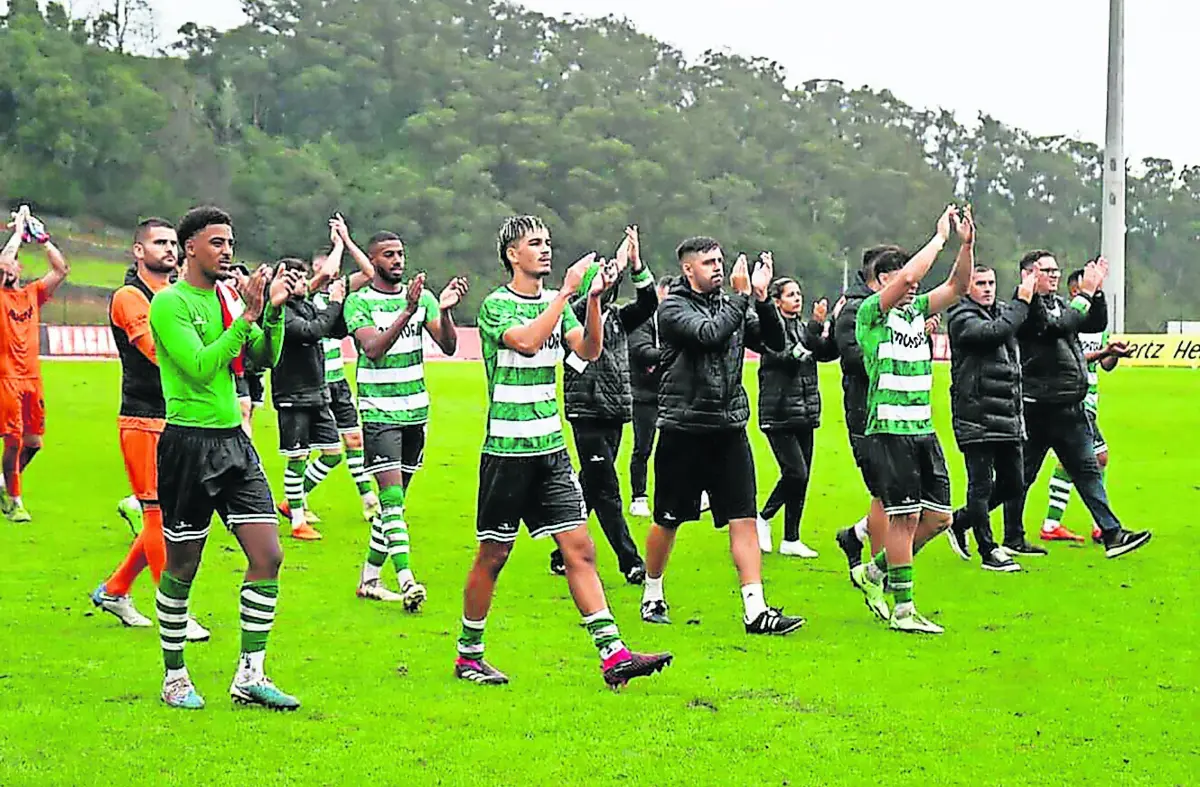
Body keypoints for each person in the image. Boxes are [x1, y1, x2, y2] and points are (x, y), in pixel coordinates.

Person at [455, 215, 671, 688]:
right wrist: (566, 293)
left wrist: (591, 299)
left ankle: (613, 656)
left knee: (581, 549)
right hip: (508, 453)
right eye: (535, 244)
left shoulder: (563, 306)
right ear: (513, 255)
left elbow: (590, 350)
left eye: (548, 243)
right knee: (493, 556)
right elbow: (529, 343)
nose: (546, 251)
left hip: (551, 449)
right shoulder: (497, 306)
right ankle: (469, 655)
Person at [149, 205, 301, 710]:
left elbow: (262, 357)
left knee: (268, 555)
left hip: (233, 444)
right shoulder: (169, 304)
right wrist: (250, 318)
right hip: (187, 445)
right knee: (184, 564)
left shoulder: (231, 300)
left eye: (230, 242)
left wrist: (272, 312)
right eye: (217, 242)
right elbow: (197, 366)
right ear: (190, 247)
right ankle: (174, 677)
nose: (227, 251)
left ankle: (250, 675)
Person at [639, 238, 803, 635]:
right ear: (688, 270)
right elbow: (710, 335)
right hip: (683, 429)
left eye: (720, 261)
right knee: (668, 519)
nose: (717, 268)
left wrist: (762, 300)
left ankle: (755, 610)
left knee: (743, 518)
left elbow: (775, 343)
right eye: (708, 262)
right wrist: (742, 297)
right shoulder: (673, 308)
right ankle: (652, 590)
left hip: (729, 428)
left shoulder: (732, 304)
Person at [849, 205, 972, 634]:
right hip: (890, 429)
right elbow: (908, 278)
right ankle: (904, 610)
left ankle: (874, 573)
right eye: (902, 275)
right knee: (903, 518)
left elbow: (958, 285)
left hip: (923, 428)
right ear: (883, 280)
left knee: (940, 518)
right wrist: (938, 239)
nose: (913, 280)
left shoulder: (916, 312)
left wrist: (965, 244)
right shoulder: (871, 313)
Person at [89, 219, 212, 641]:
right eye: (159, 243)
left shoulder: (178, 296)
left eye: (174, 244)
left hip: (179, 418)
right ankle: (174, 612)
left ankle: (114, 590)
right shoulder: (130, 297)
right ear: (138, 251)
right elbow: (161, 354)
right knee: (160, 516)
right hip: (143, 419)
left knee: (169, 516)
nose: (170, 250)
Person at [342, 230, 468, 607]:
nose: (397, 260)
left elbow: (448, 346)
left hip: (415, 410)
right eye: (389, 255)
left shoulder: (422, 298)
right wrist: (408, 311)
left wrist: (443, 310)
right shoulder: (358, 302)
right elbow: (374, 349)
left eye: (401, 254)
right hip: (379, 411)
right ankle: (407, 579)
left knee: (394, 505)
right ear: (373, 259)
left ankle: (368, 579)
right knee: (392, 501)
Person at [999, 252, 1150, 558]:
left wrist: (1098, 292)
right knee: (1020, 477)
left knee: (1087, 469)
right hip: (1040, 407)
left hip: (1067, 405)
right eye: (1047, 270)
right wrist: (1086, 292)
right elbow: (1057, 327)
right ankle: (972, 523)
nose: (1055, 275)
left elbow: (1093, 322)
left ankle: (1112, 533)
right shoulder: (1025, 306)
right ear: (1029, 274)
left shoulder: (1056, 303)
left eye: (1056, 270)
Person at [550, 226, 656, 585]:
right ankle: (630, 560)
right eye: (602, 278)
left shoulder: (616, 318)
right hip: (587, 411)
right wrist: (612, 270)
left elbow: (648, 303)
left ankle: (561, 550)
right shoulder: (575, 313)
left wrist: (635, 263)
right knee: (607, 488)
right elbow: (589, 297)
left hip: (615, 410)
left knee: (591, 484)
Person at [943, 264, 1040, 572]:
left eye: (991, 282)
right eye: (980, 282)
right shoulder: (961, 317)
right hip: (976, 413)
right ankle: (989, 549)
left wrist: (1032, 296)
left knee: (1015, 483)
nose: (987, 288)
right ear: (967, 287)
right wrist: (1022, 301)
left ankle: (960, 521)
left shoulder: (1002, 311)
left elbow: (1032, 327)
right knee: (981, 485)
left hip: (1008, 414)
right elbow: (993, 333)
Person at [1039, 268, 1132, 544]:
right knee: (1097, 458)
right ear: (1074, 292)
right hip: (1073, 400)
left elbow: (1105, 365)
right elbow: (1073, 356)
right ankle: (1101, 526)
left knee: (1073, 462)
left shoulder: (1097, 324)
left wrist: (1114, 353)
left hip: (1090, 398)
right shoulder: (1066, 321)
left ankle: (1055, 524)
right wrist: (1104, 352)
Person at [271, 242, 350, 541]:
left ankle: (292, 501)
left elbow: (334, 329)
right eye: (299, 279)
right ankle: (297, 522)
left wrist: (339, 304)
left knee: (333, 452)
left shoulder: (305, 305)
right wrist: (332, 305)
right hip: (292, 393)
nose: (305, 283)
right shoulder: (280, 312)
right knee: (297, 457)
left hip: (316, 391)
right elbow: (310, 332)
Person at [753, 278, 838, 557]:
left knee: (802, 478)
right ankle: (763, 518)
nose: (797, 299)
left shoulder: (802, 327)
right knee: (795, 473)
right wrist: (815, 326)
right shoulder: (770, 330)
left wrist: (836, 323)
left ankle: (791, 538)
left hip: (805, 410)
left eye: (799, 293)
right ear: (776, 301)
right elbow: (791, 357)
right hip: (777, 412)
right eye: (791, 295)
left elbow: (824, 353)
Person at [830, 247, 901, 576]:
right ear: (884, 276)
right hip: (866, 414)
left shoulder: (894, 308)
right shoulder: (855, 309)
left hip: (893, 412)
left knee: (890, 492)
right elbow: (854, 357)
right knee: (887, 494)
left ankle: (856, 536)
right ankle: (879, 573)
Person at [0, 206, 69, 523]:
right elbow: (5, 257)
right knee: (12, 441)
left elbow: (60, 270)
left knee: (33, 443)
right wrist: (17, 231)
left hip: (31, 377)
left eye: (13, 261)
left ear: (20, 266)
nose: (9, 265)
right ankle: (14, 500)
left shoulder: (31, 294)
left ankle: (3, 484)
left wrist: (42, 240)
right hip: (6, 377)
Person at [315, 214, 382, 523]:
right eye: (320, 268)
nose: (326, 273)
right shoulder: (303, 292)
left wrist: (347, 241)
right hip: (313, 383)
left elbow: (369, 272)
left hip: (337, 380)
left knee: (354, 442)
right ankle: (296, 499)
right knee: (326, 454)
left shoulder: (338, 291)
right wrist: (338, 244)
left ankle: (368, 500)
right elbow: (329, 268)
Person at [627, 275, 672, 519]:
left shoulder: (674, 321)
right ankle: (639, 497)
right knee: (643, 447)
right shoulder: (643, 320)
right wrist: (670, 355)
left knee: (677, 447)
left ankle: (689, 490)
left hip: (670, 393)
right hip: (644, 395)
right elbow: (641, 351)